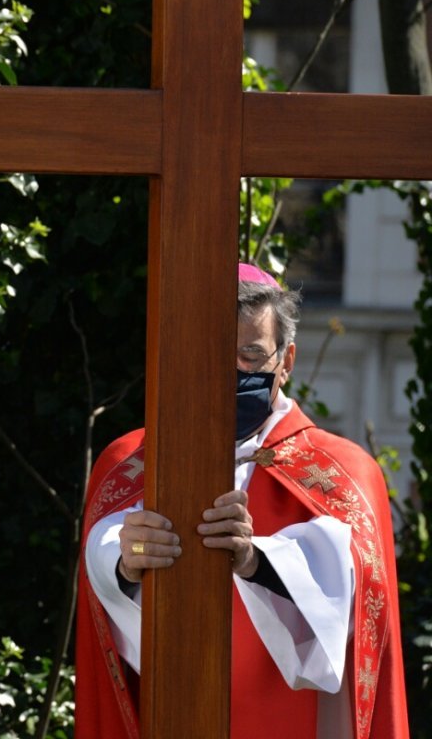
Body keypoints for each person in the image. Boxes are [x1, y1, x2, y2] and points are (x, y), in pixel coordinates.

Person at [76, 263, 408, 738]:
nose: (229, 372)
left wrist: (256, 560)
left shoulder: (344, 472)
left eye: (250, 355)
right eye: (208, 353)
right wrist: (124, 566)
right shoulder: (127, 464)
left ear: (287, 360)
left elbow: (353, 597)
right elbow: (102, 585)